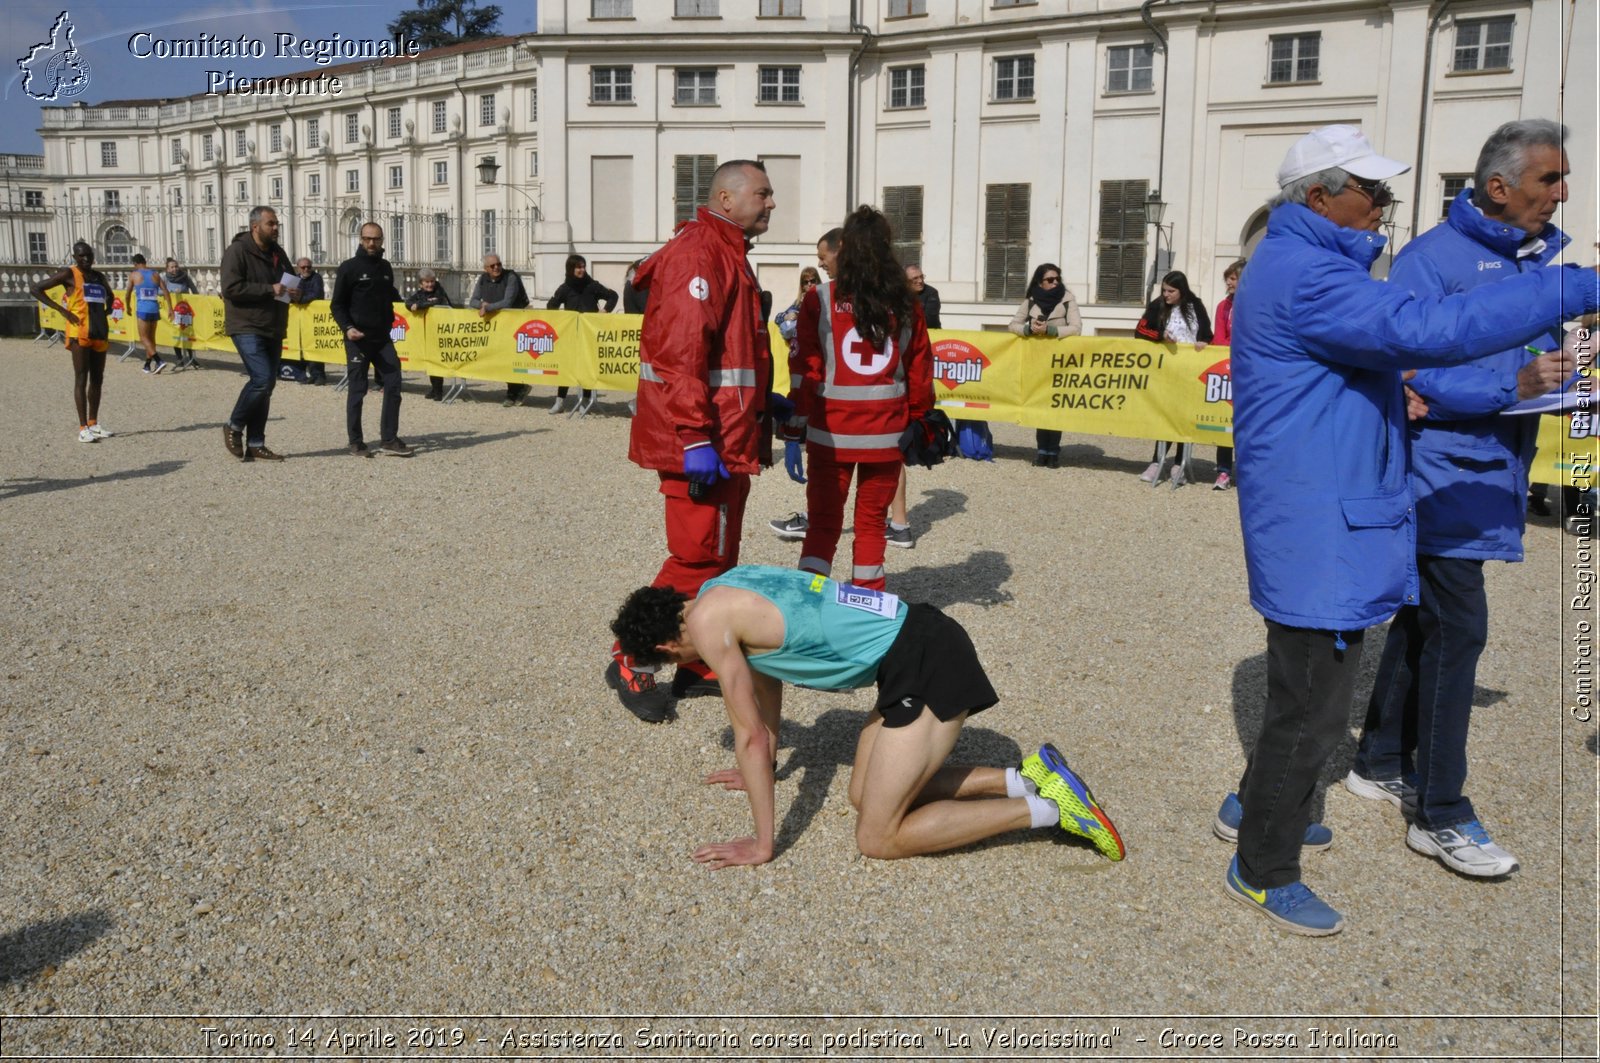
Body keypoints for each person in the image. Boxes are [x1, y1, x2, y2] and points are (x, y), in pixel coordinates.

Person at [1219, 124, 1598, 936]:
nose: (1387, 205)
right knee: (1315, 709)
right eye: (1373, 191)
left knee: (1310, 690)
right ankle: (1262, 863)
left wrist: (1399, 393)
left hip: (1324, 514)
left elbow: (1367, 363)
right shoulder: (1312, 274)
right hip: (1317, 521)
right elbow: (1431, 330)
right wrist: (1576, 287)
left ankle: (1254, 806)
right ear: (1319, 195)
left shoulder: (1303, 262)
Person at [1347, 119, 1582, 879]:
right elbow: (1408, 371)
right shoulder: (1428, 261)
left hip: (1485, 472)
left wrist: (1571, 371)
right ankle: (1441, 812)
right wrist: (1511, 385)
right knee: (1459, 631)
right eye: (1549, 179)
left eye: (1562, 177)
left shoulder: (1533, 258)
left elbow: (1531, 361)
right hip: (1438, 474)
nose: (1562, 191)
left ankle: (1379, 759)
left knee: (1423, 625)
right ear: (1498, 187)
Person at [610, 566, 1125, 867]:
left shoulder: (707, 627)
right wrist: (760, 771)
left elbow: (749, 736)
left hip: (928, 664)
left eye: (672, 661)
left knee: (877, 837)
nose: (685, 664)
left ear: (664, 645)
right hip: (916, 643)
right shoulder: (722, 588)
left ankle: (1054, 812)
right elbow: (765, 699)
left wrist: (763, 843)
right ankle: (1024, 778)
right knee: (862, 795)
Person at [608, 159, 779, 721]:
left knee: (719, 560)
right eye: (763, 193)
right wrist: (693, 436)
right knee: (694, 559)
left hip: (726, 438)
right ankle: (630, 657)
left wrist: (764, 407)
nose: (772, 202)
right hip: (703, 442)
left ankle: (697, 661)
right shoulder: (701, 254)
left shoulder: (725, 252)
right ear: (726, 199)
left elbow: (730, 358)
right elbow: (680, 354)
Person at [784, 205, 933, 590]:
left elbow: (805, 366)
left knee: (823, 525)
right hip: (885, 434)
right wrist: (918, 419)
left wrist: (795, 420)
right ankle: (866, 607)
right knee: (870, 526)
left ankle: (809, 601)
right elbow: (919, 370)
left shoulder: (819, 298)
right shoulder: (905, 304)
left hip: (830, 433)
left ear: (845, 249)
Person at [769, 230, 844, 544]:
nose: (817, 271)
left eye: (822, 260)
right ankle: (896, 525)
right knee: (867, 514)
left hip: (830, 408)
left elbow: (804, 369)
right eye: (807, 279)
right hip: (874, 414)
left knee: (827, 479)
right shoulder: (887, 295)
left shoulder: (820, 302)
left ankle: (814, 523)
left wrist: (791, 432)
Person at [330, 222, 411, 458]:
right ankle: (356, 441)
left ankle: (389, 438)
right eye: (367, 239)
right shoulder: (349, 268)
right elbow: (337, 304)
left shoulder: (385, 267)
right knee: (358, 390)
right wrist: (347, 328)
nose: (371, 243)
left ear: (382, 240)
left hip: (382, 338)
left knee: (394, 384)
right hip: (358, 339)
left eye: (376, 239)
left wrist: (413, 302)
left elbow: (392, 296)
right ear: (360, 239)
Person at [220, 206, 293, 462]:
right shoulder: (237, 251)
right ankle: (234, 425)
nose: (275, 228)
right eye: (271, 224)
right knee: (261, 379)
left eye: (276, 224)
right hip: (246, 324)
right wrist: (268, 289)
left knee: (267, 385)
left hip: (273, 325)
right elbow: (230, 288)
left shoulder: (278, 253)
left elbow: (290, 281)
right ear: (255, 226)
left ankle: (256, 442)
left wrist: (297, 291)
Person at [31, 240, 114, 443]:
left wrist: (107, 310)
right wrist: (62, 310)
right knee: (81, 377)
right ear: (75, 257)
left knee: (98, 379)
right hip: (79, 331)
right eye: (81, 256)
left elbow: (110, 296)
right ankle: (83, 427)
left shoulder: (98, 276)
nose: (86, 259)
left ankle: (94, 423)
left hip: (99, 331)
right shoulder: (69, 274)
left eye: (89, 255)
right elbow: (36, 289)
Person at [1135, 270, 1212, 487]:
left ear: (1181, 290)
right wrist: (1160, 336)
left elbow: (1207, 333)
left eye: (1171, 291)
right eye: (1164, 290)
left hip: (1190, 370)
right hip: (1166, 370)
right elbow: (1140, 330)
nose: (1166, 295)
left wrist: (1203, 343)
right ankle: (1156, 461)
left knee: (1184, 417)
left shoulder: (1195, 306)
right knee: (1167, 416)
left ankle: (1180, 462)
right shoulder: (1157, 305)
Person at [1008, 262, 1083, 467]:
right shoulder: (1031, 301)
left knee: (1055, 406)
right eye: (1050, 280)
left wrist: (1050, 331)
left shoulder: (1068, 300)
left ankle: (1053, 452)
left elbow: (1076, 328)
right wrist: (1030, 329)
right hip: (1037, 361)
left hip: (1060, 361)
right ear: (1040, 282)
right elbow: (1013, 325)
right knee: (1040, 405)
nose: (1055, 282)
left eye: (1057, 278)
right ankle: (1042, 450)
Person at [546, 253, 618, 415]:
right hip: (571, 334)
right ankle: (560, 401)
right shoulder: (565, 288)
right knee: (566, 366)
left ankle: (586, 400)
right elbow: (551, 306)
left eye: (583, 266)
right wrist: (560, 317)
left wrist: (605, 311)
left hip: (589, 335)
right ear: (571, 269)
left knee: (587, 367)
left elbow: (613, 296)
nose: (582, 270)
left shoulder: (592, 286)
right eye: (578, 267)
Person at [467, 254, 531, 406]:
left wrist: (487, 307)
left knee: (511, 357)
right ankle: (519, 389)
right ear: (486, 269)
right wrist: (483, 306)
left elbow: (508, 302)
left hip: (514, 323)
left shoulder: (511, 277)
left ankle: (513, 392)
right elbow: (473, 301)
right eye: (492, 266)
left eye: (499, 264)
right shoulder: (483, 279)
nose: (497, 267)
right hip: (495, 325)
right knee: (501, 357)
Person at [1209, 259, 1246, 489]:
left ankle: (1246, 471)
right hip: (1226, 368)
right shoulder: (1223, 306)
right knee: (1225, 420)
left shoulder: (1253, 305)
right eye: (1228, 278)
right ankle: (1223, 471)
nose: (1229, 282)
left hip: (1246, 370)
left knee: (1245, 424)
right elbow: (1219, 336)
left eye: (1233, 278)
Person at [405, 270, 455, 400]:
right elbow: (408, 302)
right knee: (430, 362)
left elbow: (436, 301)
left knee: (437, 361)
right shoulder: (420, 293)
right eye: (427, 282)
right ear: (421, 284)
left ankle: (438, 391)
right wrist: (412, 305)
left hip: (441, 331)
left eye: (432, 281)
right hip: (427, 332)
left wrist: (420, 305)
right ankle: (434, 388)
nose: (430, 284)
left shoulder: (439, 290)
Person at [125, 253, 172, 375]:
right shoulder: (155, 274)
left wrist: (127, 306)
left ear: (135, 264)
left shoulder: (134, 275)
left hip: (143, 310)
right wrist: (170, 309)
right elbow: (166, 291)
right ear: (145, 262)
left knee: (143, 338)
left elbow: (128, 293)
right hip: (154, 309)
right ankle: (147, 364)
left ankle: (159, 360)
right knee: (151, 338)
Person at [287, 256, 327, 384]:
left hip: (311, 318)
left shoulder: (316, 278)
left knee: (314, 346)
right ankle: (307, 373)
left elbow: (316, 294)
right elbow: (285, 296)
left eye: (308, 267)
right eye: (303, 267)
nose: (306, 269)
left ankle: (319, 375)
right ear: (298, 268)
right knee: (301, 347)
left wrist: (300, 299)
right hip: (297, 320)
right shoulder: (293, 279)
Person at [162, 258, 200, 370]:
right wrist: (171, 293)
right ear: (167, 269)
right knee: (175, 333)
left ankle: (192, 358)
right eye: (172, 267)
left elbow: (194, 291)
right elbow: (159, 291)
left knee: (188, 333)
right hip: (174, 311)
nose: (175, 269)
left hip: (186, 310)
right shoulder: (164, 279)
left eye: (176, 266)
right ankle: (179, 358)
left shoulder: (185, 277)